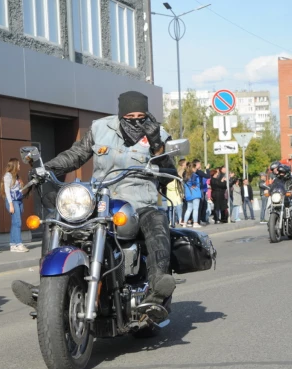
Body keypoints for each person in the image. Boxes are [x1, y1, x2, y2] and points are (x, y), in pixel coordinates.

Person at [12, 91, 177, 312]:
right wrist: (45, 169)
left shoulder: (159, 134)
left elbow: (169, 170)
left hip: (139, 202)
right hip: (100, 199)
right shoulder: (100, 129)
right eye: (130, 116)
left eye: (141, 115)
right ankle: (46, 289)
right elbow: (76, 155)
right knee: (56, 221)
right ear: (121, 114)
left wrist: (157, 144)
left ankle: (158, 286)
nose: (136, 120)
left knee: (157, 220)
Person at [2, 158, 30, 253]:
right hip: (12, 201)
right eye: (18, 164)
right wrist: (10, 204)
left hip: (18, 200)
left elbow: (18, 189)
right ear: (14, 165)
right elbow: (7, 190)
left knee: (15, 222)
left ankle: (13, 244)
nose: (19, 166)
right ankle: (19, 244)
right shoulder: (8, 176)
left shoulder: (16, 176)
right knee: (18, 222)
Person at [183, 163, 202, 228]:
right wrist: (193, 185)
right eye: (195, 168)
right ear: (193, 168)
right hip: (195, 193)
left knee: (189, 209)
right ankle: (195, 223)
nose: (196, 169)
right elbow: (194, 182)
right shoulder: (194, 175)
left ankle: (185, 223)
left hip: (188, 194)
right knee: (195, 209)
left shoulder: (186, 176)